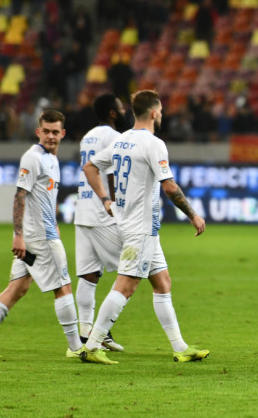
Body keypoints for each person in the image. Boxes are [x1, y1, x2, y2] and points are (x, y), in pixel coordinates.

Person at [80, 90, 208, 364]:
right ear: (153, 113)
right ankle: (91, 345)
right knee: (125, 286)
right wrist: (193, 214)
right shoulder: (153, 143)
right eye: (160, 111)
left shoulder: (122, 140)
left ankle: (179, 347)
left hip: (138, 226)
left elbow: (90, 167)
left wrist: (107, 201)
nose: (161, 115)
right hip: (140, 228)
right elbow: (170, 186)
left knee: (163, 283)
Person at [0, 110, 84, 359]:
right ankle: (77, 348)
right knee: (63, 287)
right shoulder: (33, 158)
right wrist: (18, 235)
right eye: (47, 131)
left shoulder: (51, 159)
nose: (51, 136)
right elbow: (19, 196)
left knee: (18, 287)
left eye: (56, 132)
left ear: (63, 134)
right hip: (41, 237)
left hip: (39, 233)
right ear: (38, 132)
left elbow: (42, 197)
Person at [74, 93, 127, 352]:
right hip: (103, 213)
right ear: (113, 113)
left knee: (88, 275)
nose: (125, 108)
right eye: (120, 106)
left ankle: (84, 335)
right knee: (134, 270)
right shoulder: (115, 138)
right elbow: (112, 174)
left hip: (82, 210)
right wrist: (116, 206)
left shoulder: (88, 136)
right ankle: (101, 331)